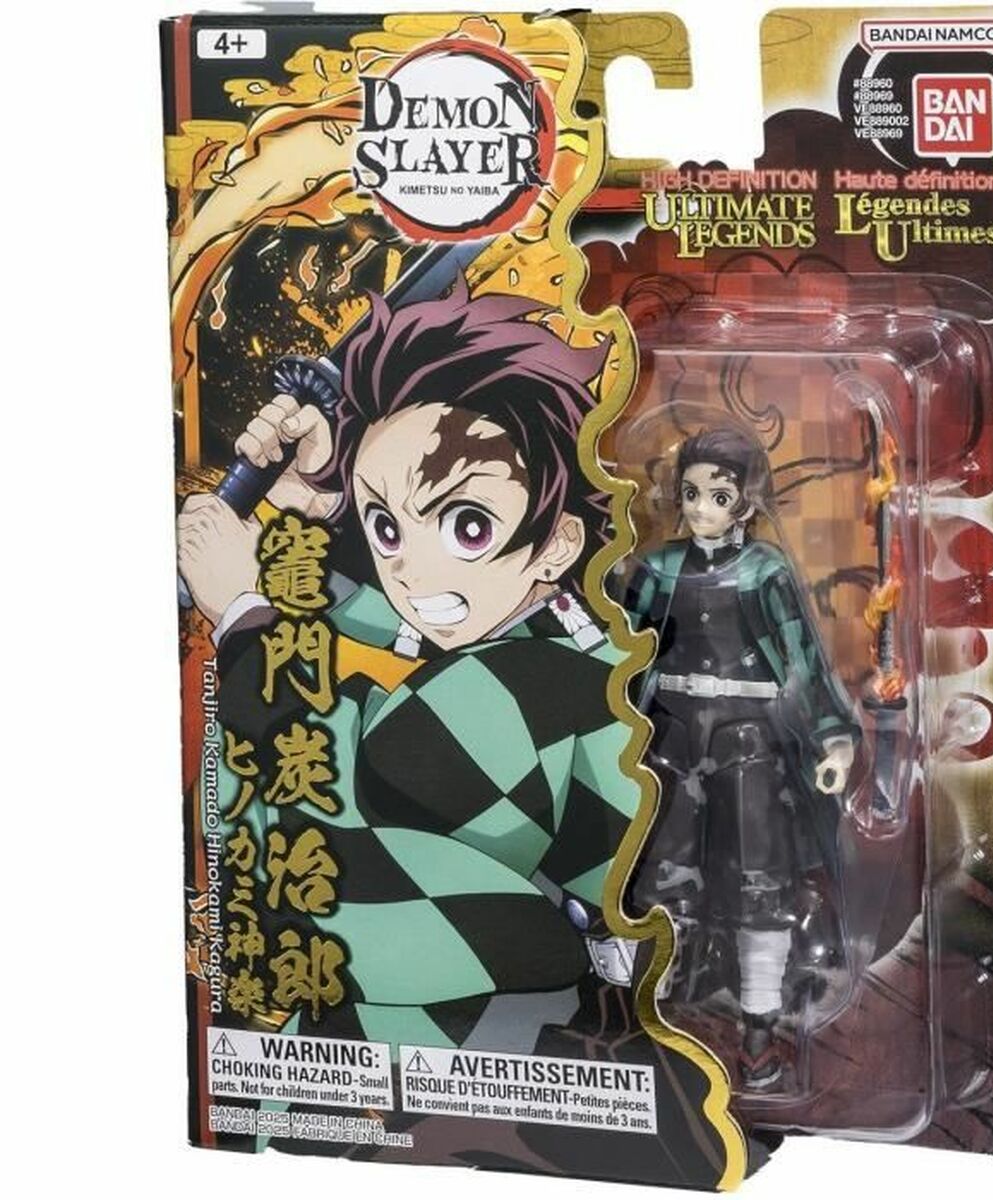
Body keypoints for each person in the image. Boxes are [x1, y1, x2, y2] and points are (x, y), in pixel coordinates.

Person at [177, 282, 641, 1056]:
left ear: (558, 543)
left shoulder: (529, 689)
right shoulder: (565, 635)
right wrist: (324, 505)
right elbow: (422, 618)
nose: (411, 570)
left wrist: (245, 616)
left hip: (468, 1049)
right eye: (387, 526)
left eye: (468, 526)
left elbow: (324, 811)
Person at [624, 425, 860, 1090]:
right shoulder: (658, 569)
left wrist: (833, 735)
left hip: (749, 738)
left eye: (718, 496)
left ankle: (759, 1028)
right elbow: (621, 640)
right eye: (691, 493)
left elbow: (803, 657)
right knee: (661, 873)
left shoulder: (766, 572)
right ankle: (652, 1012)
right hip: (669, 736)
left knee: (760, 877)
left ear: (746, 502)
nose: (701, 508)